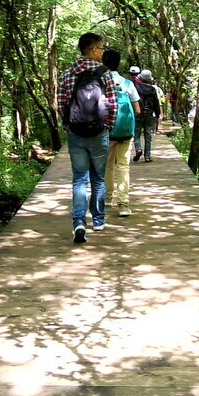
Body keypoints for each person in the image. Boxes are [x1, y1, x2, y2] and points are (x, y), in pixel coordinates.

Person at [57, 32, 117, 243]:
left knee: (79, 178)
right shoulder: (105, 74)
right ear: (93, 50)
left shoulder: (67, 74)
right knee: (98, 178)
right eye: (101, 48)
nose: (102, 52)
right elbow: (112, 104)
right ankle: (98, 220)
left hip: (76, 132)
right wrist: (107, 126)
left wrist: (68, 126)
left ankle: (79, 222)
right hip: (98, 132)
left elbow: (62, 103)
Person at [101, 49, 140, 217]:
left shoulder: (100, 82)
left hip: (106, 130)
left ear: (103, 63)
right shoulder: (127, 84)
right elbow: (137, 110)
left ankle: (107, 197)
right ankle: (123, 204)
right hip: (125, 131)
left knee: (107, 165)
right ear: (119, 63)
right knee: (123, 166)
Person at [133, 69, 161, 162]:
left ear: (140, 79)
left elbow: (134, 100)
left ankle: (138, 148)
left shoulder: (136, 88)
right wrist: (157, 115)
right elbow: (156, 103)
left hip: (139, 112)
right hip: (149, 113)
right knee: (148, 134)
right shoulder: (152, 89)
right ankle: (147, 156)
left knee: (136, 133)